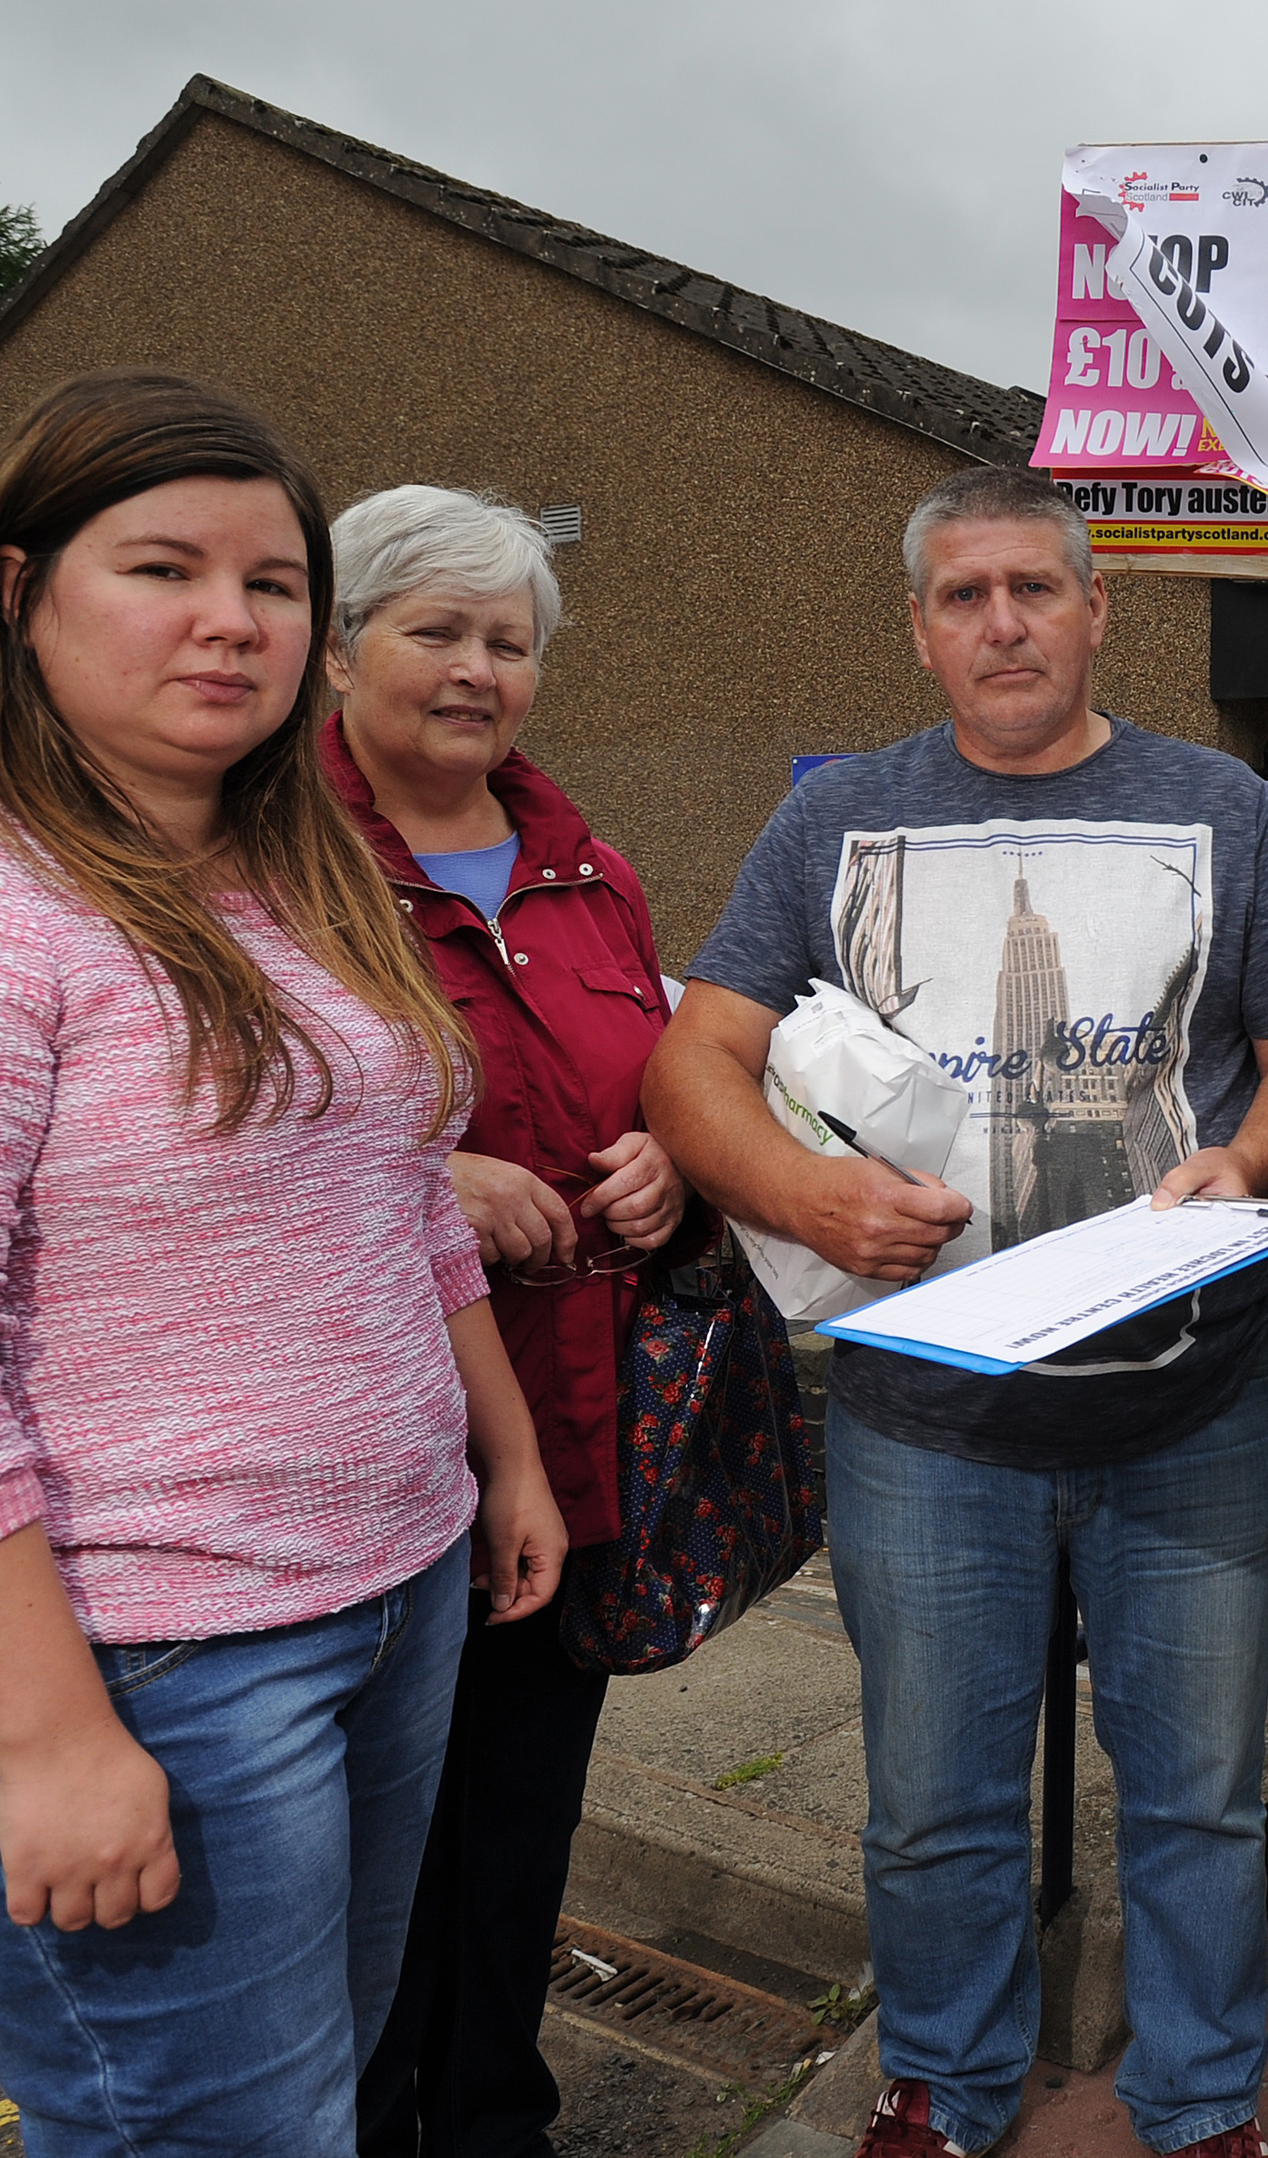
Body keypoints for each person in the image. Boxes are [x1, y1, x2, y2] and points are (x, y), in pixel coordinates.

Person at [0, 371, 567, 2156]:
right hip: (150, 1655)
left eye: (273, 585)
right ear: (23, 592)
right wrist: (49, 1738)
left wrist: (502, 1457)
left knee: (318, 2103)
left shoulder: (296, 864)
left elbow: (401, 1194)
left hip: (392, 1597)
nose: (230, 621)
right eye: (163, 567)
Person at [648, 465, 1268, 2158]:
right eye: (964, 596)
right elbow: (697, 1052)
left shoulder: (1215, 807)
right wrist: (796, 1192)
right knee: (930, 1809)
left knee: (1195, 1800)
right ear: (918, 627)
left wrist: (1251, 1155)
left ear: (1097, 608)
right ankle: (946, 2085)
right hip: (926, 1425)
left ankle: (1198, 2104)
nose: (1003, 622)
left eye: (1035, 588)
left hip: (1193, 1406)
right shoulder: (835, 818)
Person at [322, 485, 695, 2158]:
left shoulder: (587, 866)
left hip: (578, 1425)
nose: (476, 671)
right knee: (367, 1851)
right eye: (436, 631)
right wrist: (426, 1177)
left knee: (519, 1824)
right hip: (381, 1440)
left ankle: (492, 2121)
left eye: (509, 641)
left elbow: (663, 1064)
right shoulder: (275, 865)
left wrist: (666, 1158)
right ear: (337, 652)